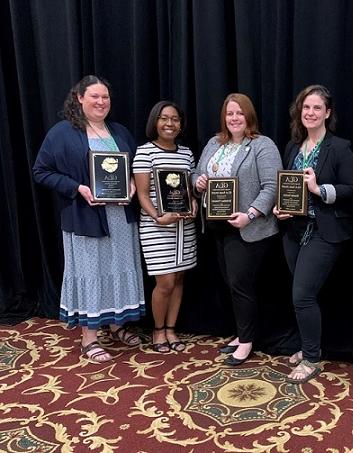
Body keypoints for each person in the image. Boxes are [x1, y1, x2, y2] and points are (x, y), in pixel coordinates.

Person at [32, 75, 145, 362]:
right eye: (94, 96)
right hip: (85, 217)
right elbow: (41, 171)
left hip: (120, 216)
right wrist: (77, 188)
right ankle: (89, 338)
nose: (101, 102)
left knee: (119, 268)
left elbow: (132, 168)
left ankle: (117, 325)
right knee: (91, 273)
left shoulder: (119, 132)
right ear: (79, 98)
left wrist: (132, 184)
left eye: (105, 97)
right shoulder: (62, 133)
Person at [273, 85, 353, 384]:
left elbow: (351, 189)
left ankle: (311, 358)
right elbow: (287, 188)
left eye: (317, 108)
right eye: (306, 108)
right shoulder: (293, 147)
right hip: (293, 230)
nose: (310, 113)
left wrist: (319, 189)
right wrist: (280, 208)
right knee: (302, 295)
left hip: (324, 231)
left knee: (303, 295)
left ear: (328, 113)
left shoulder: (340, 147)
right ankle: (308, 344)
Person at [192, 93, 281, 366]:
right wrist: (199, 182)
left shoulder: (262, 145)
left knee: (241, 284)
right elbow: (196, 175)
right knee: (231, 283)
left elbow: (272, 185)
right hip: (217, 226)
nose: (234, 118)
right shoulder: (213, 143)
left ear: (249, 116)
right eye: (230, 113)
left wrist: (250, 215)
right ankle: (242, 333)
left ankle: (246, 342)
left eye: (240, 113)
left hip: (247, 227)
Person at [133, 101, 197, 352]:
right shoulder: (145, 152)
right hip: (157, 227)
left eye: (175, 119)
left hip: (183, 226)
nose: (170, 124)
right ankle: (158, 330)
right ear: (155, 122)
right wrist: (158, 217)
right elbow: (142, 194)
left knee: (179, 278)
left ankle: (171, 329)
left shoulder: (186, 153)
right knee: (166, 282)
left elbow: (189, 189)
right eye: (164, 118)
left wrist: (192, 203)